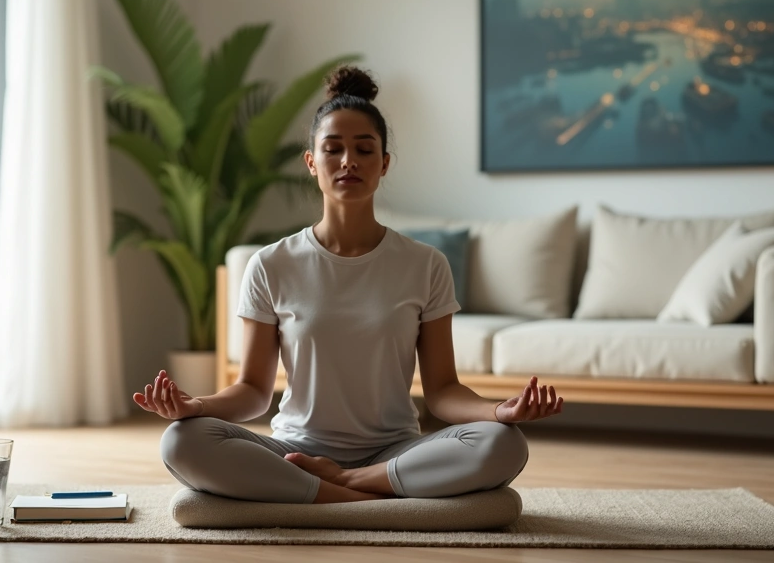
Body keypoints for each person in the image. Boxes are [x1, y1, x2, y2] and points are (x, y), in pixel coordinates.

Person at [133, 66, 564, 504]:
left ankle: (342, 487)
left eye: (364, 149)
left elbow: (443, 392)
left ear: (384, 163)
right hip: (294, 449)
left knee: (503, 443)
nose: (348, 161)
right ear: (311, 162)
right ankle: (367, 497)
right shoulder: (271, 264)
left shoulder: (425, 264)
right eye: (333, 149)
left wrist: (498, 411)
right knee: (181, 441)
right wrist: (196, 407)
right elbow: (253, 393)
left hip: (393, 450)